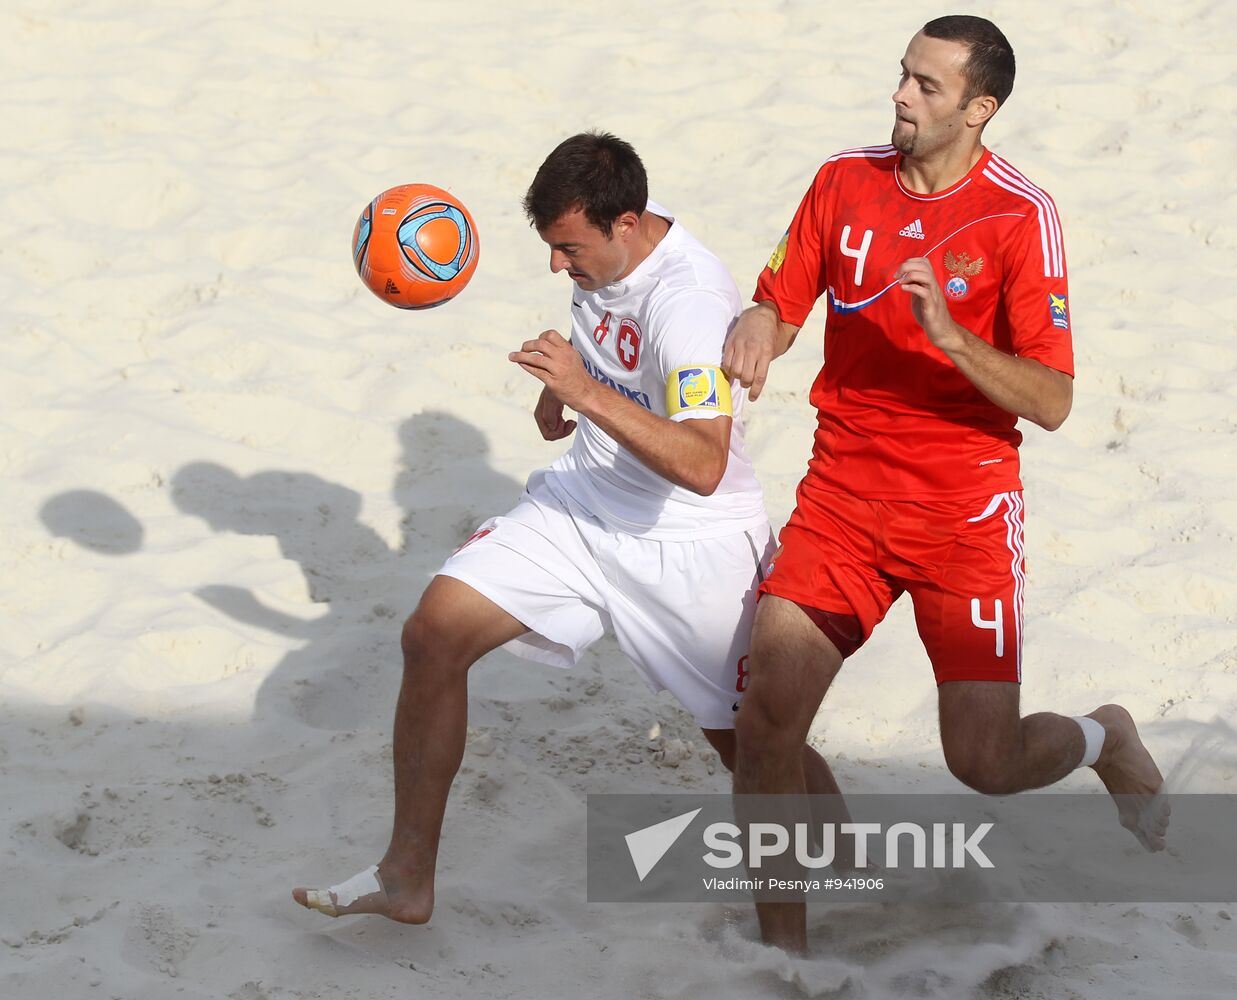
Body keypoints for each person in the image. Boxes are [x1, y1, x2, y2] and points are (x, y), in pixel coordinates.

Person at [292, 131, 840, 923]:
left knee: (757, 748)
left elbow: (702, 463)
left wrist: (585, 393)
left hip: (690, 545)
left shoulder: (686, 303)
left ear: (625, 224)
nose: (558, 266)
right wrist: (565, 394)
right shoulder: (603, 258)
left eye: (567, 248)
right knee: (432, 634)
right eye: (551, 248)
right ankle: (405, 878)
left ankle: (845, 874)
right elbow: (598, 372)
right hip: (582, 509)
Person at [723, 16, 1169, 952]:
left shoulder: (1017, 214)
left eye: (926, 87)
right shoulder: (843, 180)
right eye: (901, 76)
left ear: (978, 109)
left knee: (985, 763)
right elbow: (780, 296)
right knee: (766, 720)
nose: (900, 96)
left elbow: (1052, 400)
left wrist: (956, 341)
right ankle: (782, 954)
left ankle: (1107, 737)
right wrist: (762, 325)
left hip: (963, 516)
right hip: (841, 500)